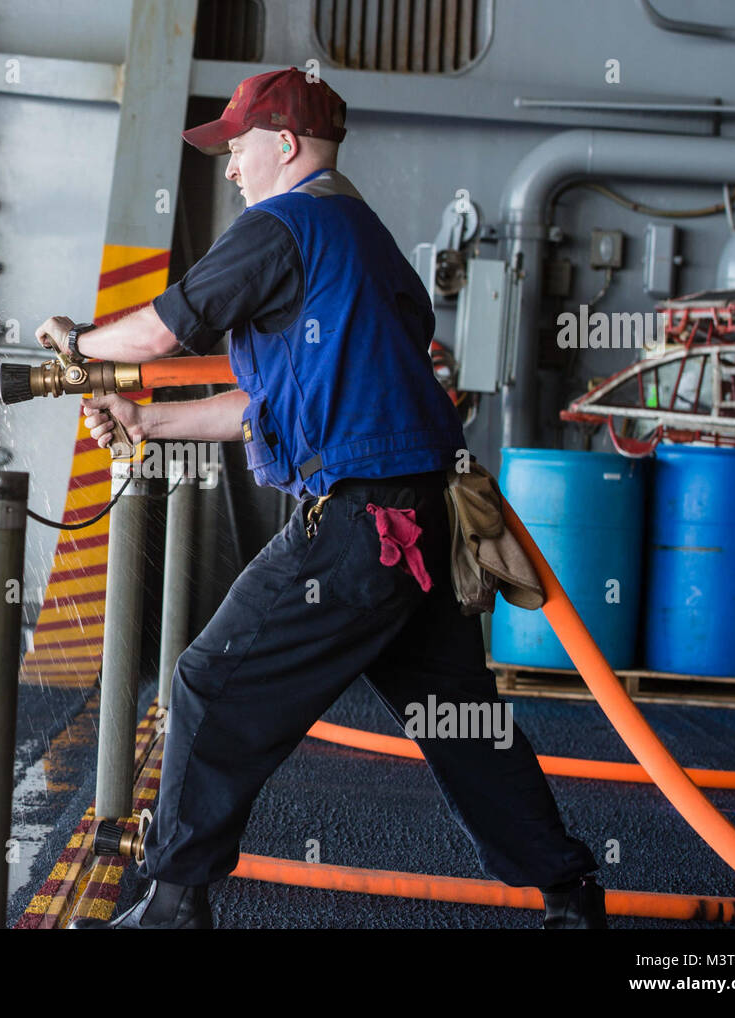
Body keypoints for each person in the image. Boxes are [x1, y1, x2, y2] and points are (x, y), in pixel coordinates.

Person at [36, 67, 606, 930]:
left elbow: (163, 327)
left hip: (357, 527)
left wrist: (79, 345)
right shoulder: (363, 239)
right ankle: (572, 898)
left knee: (208, 683)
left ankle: (174, 909)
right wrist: (147, 421)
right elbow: (269, 404)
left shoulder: (284, 225)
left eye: (238, 148)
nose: (230, 166)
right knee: (459, 726)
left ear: (286, 144)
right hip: (416, 526)